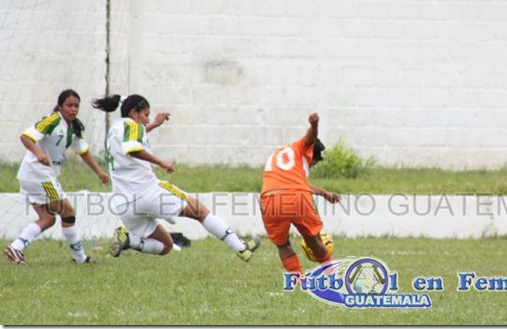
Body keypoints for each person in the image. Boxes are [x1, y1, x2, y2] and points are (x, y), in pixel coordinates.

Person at [92, 94, 260, 261]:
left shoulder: (115, 129)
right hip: (148, 193)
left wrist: (155, 125)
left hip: (124, 203)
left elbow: (131, 140)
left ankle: (130, 240)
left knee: (166, 246)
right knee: (200, 211)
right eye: (146, 115)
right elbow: (132, 148)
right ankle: (240, 248)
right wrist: (161, 162)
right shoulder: (132, 126)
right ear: (134, 113)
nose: (148, 120)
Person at [4, 89, 110, 265]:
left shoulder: (75, 127)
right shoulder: (52, 120)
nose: (73, 109)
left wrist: (99, 171)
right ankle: (80, 258)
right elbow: (26, 137)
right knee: (67, 211)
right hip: (39, 175)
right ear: (60, 106)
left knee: (48, 218)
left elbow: (82, 151)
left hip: (33, 176)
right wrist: (39, 153)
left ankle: (16, 248)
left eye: (76, 105)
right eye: (69, 105)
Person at [260, 112, 341, 276]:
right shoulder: (301, 148)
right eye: (315, 163)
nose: (312, 166)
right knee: (314, 239)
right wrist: (314, 126)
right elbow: (310, 138)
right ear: (312, 155)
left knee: (282, 245)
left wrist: (324, 194)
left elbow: (290, 182)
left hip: (269, 197)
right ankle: (331, 275)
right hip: (297, 197)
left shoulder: (279, 154)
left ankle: (297, 279)